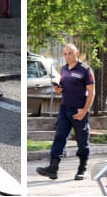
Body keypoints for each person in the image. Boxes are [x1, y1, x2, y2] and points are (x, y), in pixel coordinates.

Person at [37, 44, 96, 181]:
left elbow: (92, 92)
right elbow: (64, 86)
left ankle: (82, 169)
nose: (67, 56)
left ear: (77, 53)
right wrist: (59, 89)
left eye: (70, 53)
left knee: (82, 140)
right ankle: (53, 168)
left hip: (78, 110)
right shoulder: (63, 69)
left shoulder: (85, 70)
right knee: (59, 137)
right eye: (65, 54)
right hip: (64, 109)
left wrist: (84, 111)